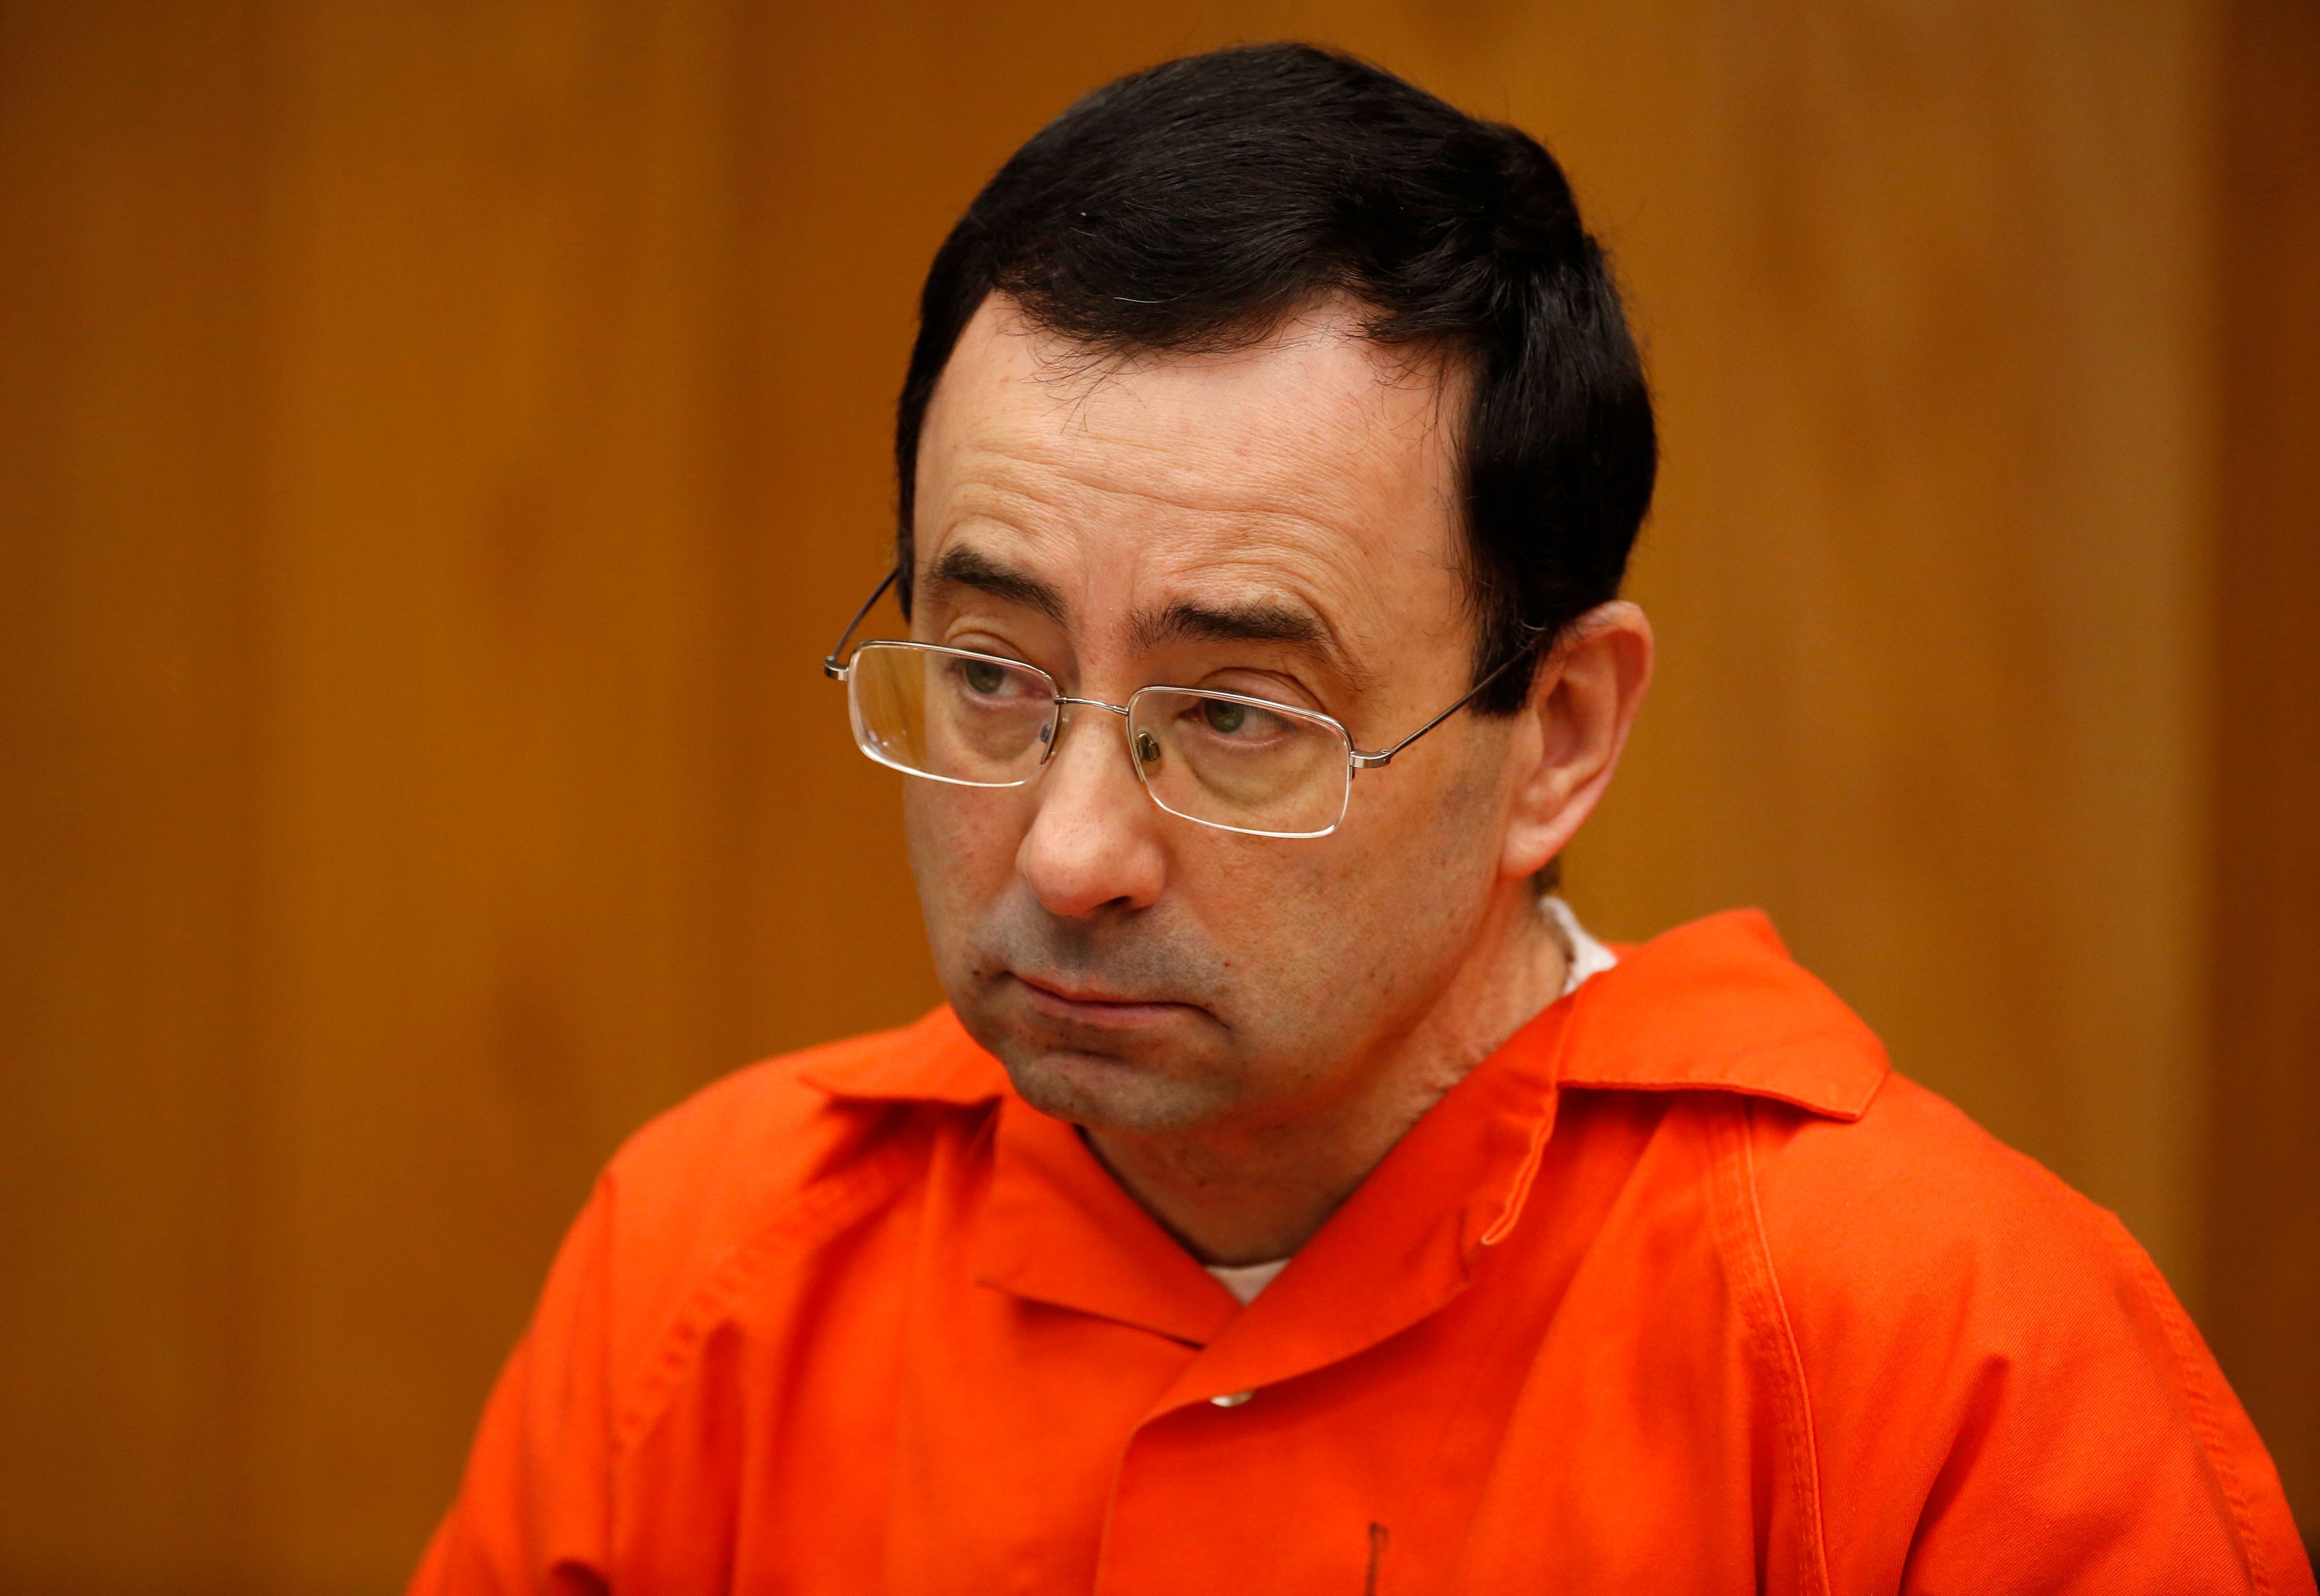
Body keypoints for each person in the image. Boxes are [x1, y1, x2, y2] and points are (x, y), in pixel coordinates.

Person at [410, 42, 2312, 1595]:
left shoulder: (1933, 1344)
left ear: (1557, 734)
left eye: (1233, 713)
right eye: (990, 674)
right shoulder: (717, 1273)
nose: (1071, 852)